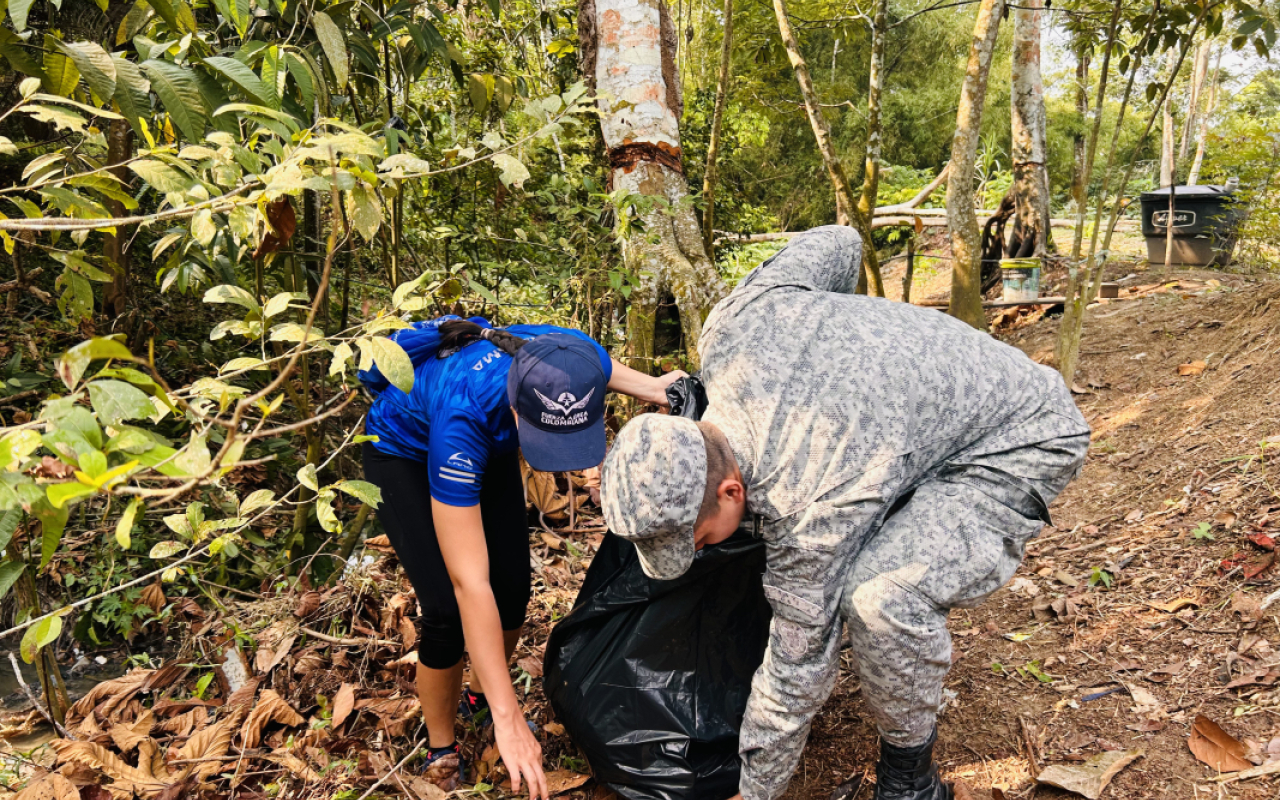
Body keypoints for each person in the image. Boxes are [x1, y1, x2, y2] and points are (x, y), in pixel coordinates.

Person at [599, 227, 1090, 800]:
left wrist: (754, 791)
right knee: (859, 573)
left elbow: (796, 668)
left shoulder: (811, 501)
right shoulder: (733, 324)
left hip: (1018, 436)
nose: (700, 551)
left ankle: (911, 780)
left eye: (698, 538)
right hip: (923, 426)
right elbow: (840, 242)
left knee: (880, 598)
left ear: (732, 491)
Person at [360, 316, 682, 799]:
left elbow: (599, 367)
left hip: (490, 443)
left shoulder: (571, 351)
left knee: (513, 592)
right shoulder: (463, 417)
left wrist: (654, 388)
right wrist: (511, 722)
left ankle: (479, 696)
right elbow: (471, 582)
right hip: (405, 451)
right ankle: (441, 747)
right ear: (517, 409)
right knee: (447, 610)